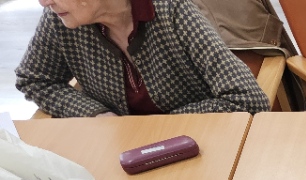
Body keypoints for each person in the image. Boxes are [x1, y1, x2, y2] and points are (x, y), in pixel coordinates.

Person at [17, 0, 270, 118]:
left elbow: (248, 98)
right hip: (122, 156)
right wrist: (95, 113)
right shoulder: (60, 20)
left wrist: (161, 127)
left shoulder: (172, 10)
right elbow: (35, 80)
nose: (44, 2)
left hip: (202, 149)